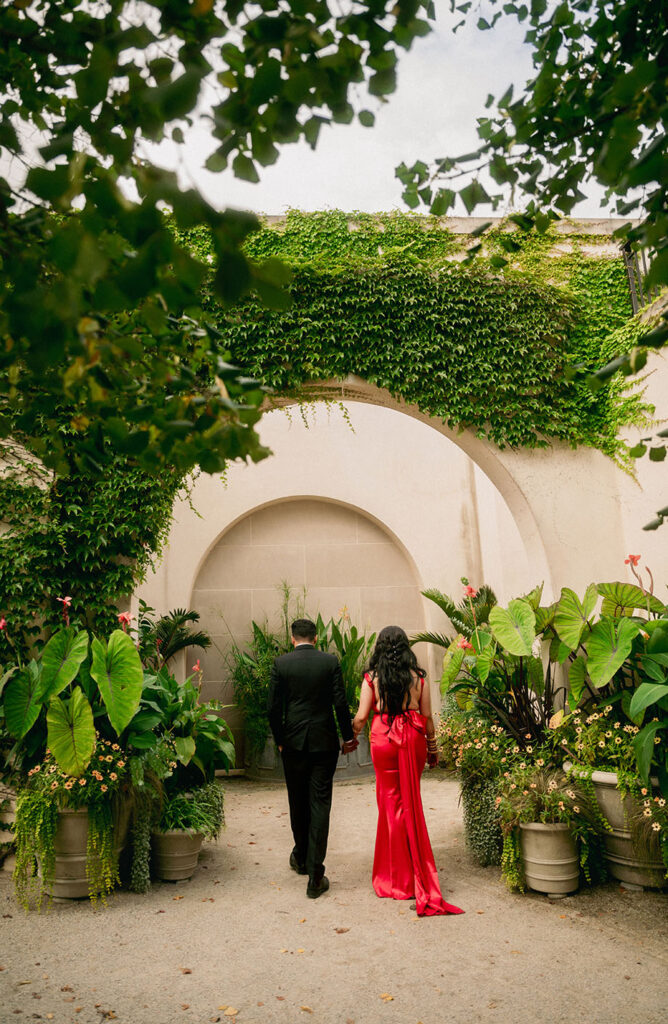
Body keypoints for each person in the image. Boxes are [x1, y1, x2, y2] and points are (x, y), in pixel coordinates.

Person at [352, 625, 464, 917]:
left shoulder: (371, 678)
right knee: (410, 803)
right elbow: (426, 717)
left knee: (390, 805)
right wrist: (433, 748)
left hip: (384, 738)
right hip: (412, 738)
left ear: (379, 647)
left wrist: (345, 731)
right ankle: (413, 873)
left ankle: (396, 880)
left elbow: (362, 717)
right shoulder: (419, 677)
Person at [268, 618, 358, 899]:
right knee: (319, 803)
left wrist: (280, 739)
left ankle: (303, 859)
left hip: (293, 744)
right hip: (323, 743)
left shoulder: (281, 664)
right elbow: (340, 704)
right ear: (316, 638)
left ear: (291, 638)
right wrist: (348, 737)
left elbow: (272, 707)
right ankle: (315, 873)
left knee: (297, 801)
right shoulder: (330, 662)